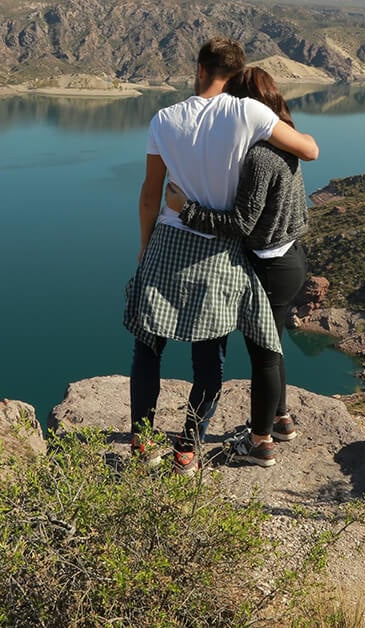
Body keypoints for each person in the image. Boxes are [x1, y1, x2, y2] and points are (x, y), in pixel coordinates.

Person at [124, 39, 318, 475]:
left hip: (166, 242)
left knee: (147, 348)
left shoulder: (163, 119)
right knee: (207, 359)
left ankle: (142, 442)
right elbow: (307, 150)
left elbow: (150, 191)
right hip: (216, 251)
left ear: (199, 69)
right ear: (238, 74)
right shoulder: (249, 114)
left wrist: (144, 244)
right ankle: (188, 451)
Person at [164, 67, 309, 464]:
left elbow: (240, 224)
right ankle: (280, 419)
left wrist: (185, 210)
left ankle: (260, 442)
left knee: (263, 353)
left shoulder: (260, 157)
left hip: (267, 267)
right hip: (292, 260)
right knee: (273, 347)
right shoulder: (289, 143)